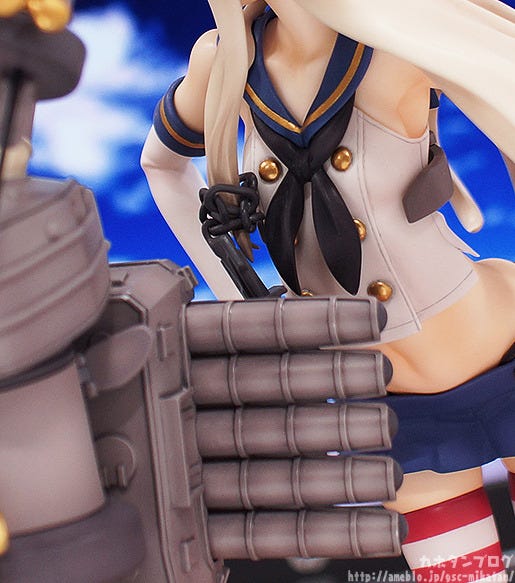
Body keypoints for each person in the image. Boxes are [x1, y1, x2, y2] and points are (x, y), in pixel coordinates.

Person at [141, 1, 515, 579]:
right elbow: (161, 163)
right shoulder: (226, 62)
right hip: (396, 409)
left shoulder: (396, 38)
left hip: (499, 346)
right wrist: (244, 306)